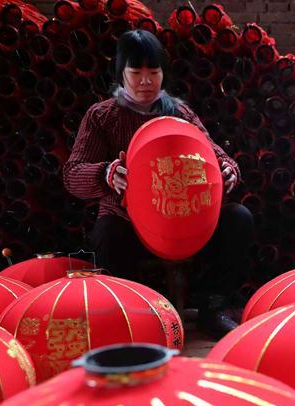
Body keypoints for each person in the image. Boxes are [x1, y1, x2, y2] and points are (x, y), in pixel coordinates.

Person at [63, 29, 253, 291]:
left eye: (153, 73)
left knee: (238, 218)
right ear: (121, 74)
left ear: (164, 75)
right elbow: (73, 174)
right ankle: (131, 309)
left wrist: (228, 169)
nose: (145, 81)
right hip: (128, 223)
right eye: (136, 73)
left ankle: (214, 303)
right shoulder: (102, 117)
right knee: (106, 233)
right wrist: (107, 173)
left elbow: (212, 152)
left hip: (188, 218)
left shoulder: (180, 112)